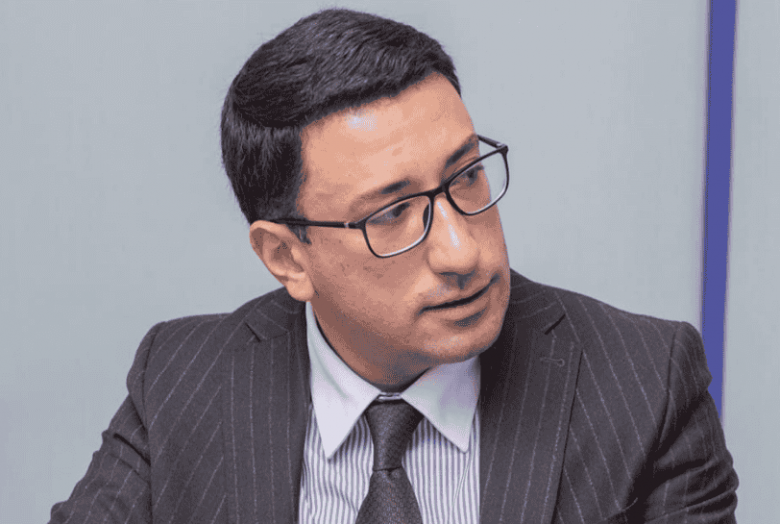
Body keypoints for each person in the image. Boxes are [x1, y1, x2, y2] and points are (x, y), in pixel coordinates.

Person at [49, 8, 738, 524]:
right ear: (287, 257)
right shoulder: (181, 380)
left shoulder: (645, 385)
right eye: (391, 215)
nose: (463, 252)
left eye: (467, 176)